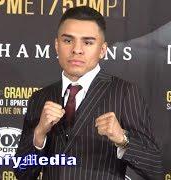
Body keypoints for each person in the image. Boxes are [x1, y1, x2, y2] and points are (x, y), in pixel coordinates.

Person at [15, 6, 163, 180]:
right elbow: (22, 173)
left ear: (102, 49)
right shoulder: (40, 98)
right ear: (56, 45)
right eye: (68, 41)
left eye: (88, 42)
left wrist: (123, 139)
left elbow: (155, 169)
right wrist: (39, 134)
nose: (77, 50)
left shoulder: (124, 93)